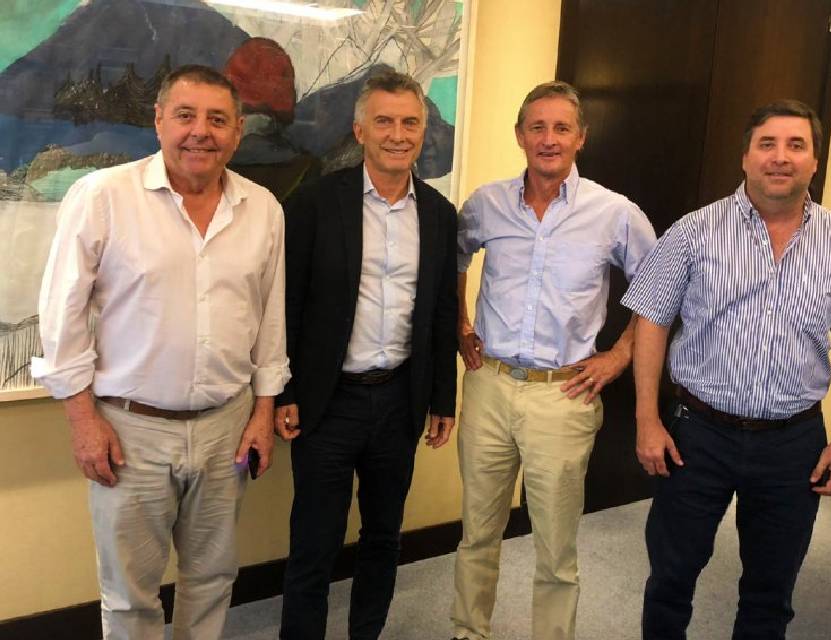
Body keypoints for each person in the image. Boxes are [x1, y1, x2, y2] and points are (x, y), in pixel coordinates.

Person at [31, 64, 289, 640]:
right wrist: (82, 422)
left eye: (217, 119)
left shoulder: (263, 209)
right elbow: (61, 317)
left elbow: (269, 319)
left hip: (226, 428)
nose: (201, 132)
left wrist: (263, 412)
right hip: (130, 432)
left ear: (238, 131)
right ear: (158, 121)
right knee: (130, 593)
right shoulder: (103, 197)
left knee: (213, 578)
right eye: (185, 115)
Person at [623, 99, 831, 639]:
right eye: (767, 144)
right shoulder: (695, 231)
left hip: (793, 444)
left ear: (814, 160)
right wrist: (646, 419)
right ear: (745, 156)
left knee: (771, 593)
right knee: (672, 577)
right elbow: (651, 320)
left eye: (796, 145)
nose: (780, 157)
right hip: (696, 437)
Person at [451, 81, 657, 640]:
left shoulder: (614, 213)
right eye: (537, 127)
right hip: (490, 387)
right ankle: (468, 631)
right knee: (477, 534)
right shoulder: (487, 204)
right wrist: (460, 323)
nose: (549, 139)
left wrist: (618, 356)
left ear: (580, 138)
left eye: (561, 128)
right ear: (519, 135)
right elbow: (453, 259)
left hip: (563, 396)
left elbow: (661, 291)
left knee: (555, 549)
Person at [275, 70, 458, 640]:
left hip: (399, 400)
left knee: (383, 538)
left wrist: (442, 399)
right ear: (360, 131)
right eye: (384, 121)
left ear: (422, 132)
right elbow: (286, 304)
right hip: (329, 403)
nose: (397, 134)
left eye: (409, 123)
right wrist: (284, 391)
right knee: (315, 544)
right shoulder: (314, 204)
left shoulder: (439, 213)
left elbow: (441, 311)